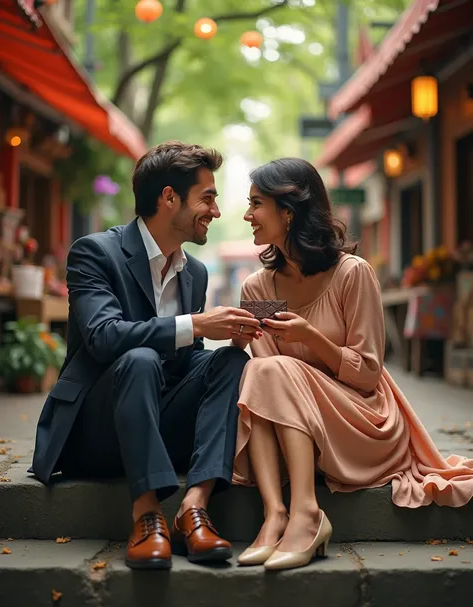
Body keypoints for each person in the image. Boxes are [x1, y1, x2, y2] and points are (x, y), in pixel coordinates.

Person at [231, 157, 473, 571]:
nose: (247, 214)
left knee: (275, 370)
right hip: (297, 425)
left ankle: (306, 512)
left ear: (287, 213)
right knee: (259, 369)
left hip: (363, 419)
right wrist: (245, 339)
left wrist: (310, 337)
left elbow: (366, 375)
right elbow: (266, 375)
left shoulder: (352, 274)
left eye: (256, 204)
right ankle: (276, 515)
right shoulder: (257, 286)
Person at [30, 141, 262, 570]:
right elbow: (102, 337)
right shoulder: (95, 252)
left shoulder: (195, 271)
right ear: (168, 197)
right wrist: (197, 325)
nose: (215, 210)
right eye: (207, 198)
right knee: (139, 358)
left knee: (230, 361)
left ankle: (194, 507)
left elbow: (187, 358)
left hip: (158, 423)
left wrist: (231, 337)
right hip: (95, 432)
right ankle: (146, 516)